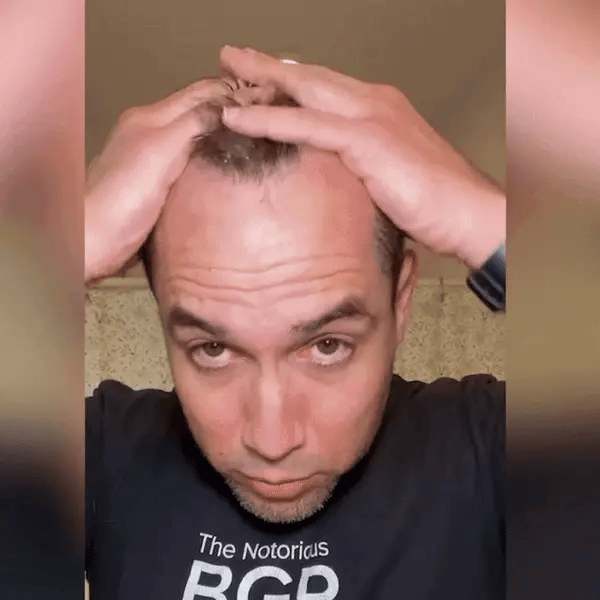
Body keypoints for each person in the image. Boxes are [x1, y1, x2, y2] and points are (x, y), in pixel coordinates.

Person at [85, 46, 505, 599]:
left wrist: (485, 221)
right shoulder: (100, 456)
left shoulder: (485, 449)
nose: (272, 440)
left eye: (328, 345)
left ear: (401, 301)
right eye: (212, 349)